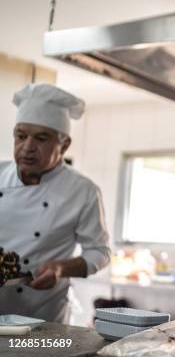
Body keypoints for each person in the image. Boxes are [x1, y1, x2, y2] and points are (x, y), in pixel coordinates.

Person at [0, 83, 111, 323]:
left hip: (43, 316)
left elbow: (100, 252)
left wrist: (60, 269)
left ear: (64, 144)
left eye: (41, 138)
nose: (27, 147)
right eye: (21, 136)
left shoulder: (83, 191)